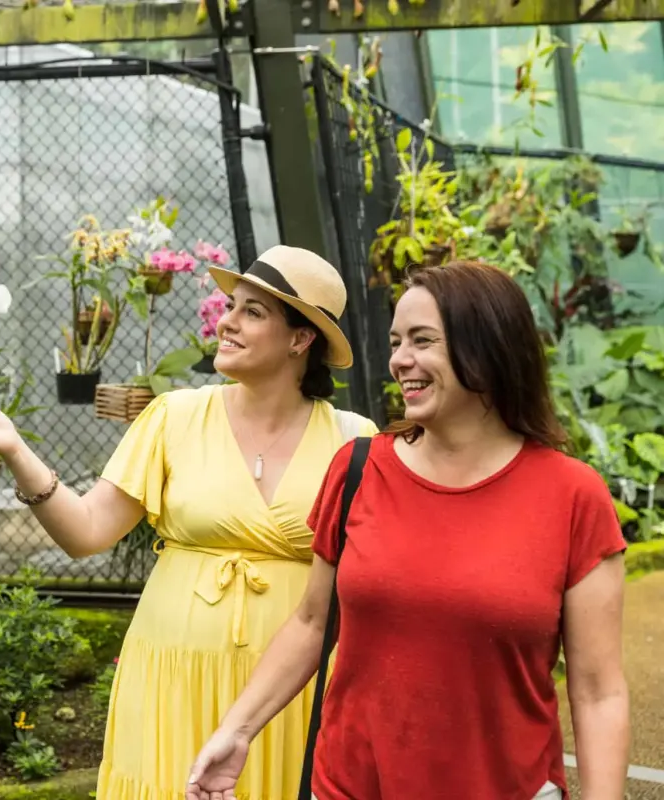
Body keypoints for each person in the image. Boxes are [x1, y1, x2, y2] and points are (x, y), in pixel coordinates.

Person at [185, 261, 629, 800]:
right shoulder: (358, 470)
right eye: (396, 342)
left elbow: (599, 690)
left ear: (487, 350)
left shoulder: (572, 496)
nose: (399, 360)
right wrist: (236, 730)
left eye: (422, 341)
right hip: (350, 787)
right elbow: (310, 623)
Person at [0, 245, 378, 799]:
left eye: (253, 311)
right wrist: (15, 451)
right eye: (232, 305)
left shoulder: (355, 440)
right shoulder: (175, 417)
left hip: (292, 693)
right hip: (171, 677)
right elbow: (86, 532)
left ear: (301, 339)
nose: (226, 322)